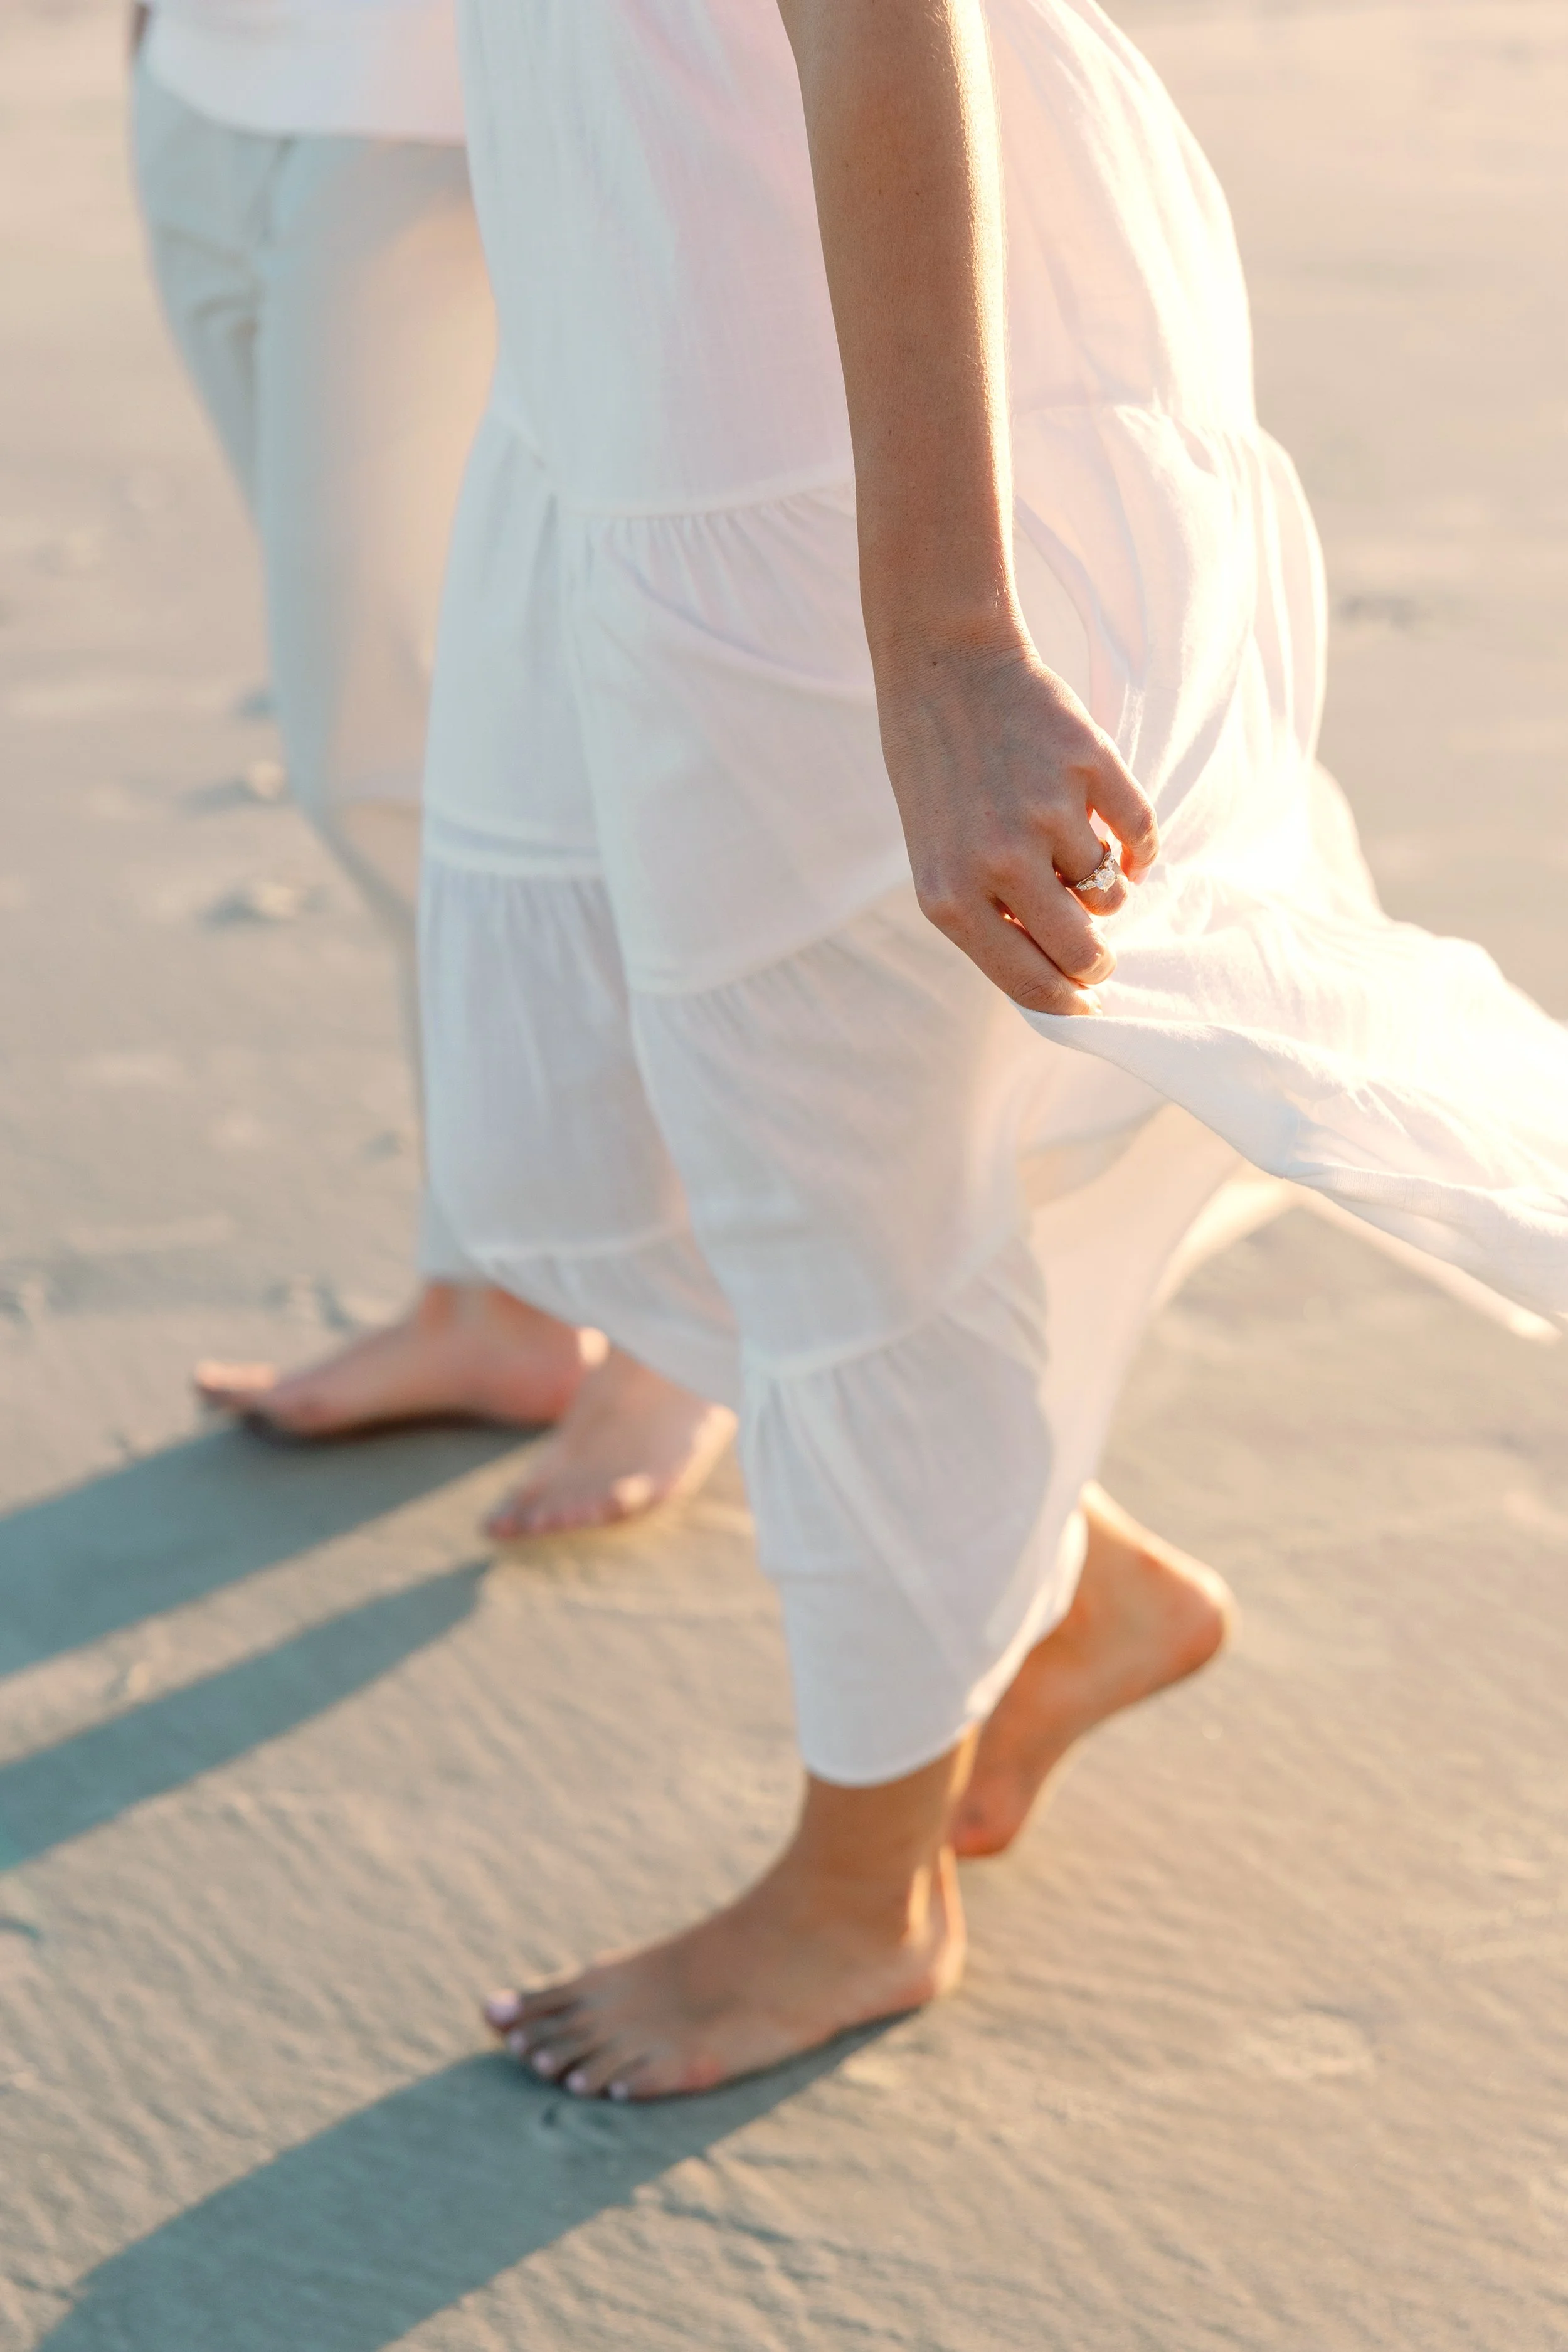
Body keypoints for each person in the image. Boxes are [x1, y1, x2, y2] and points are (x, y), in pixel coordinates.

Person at [420, 0, 1567, 2102]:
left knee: (830, 1178)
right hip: (649, 351)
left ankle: (863, 1898)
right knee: (637, 1120)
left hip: (835, 460)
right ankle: (1063, 1589)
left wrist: (944, 639)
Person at [129, 0, 736, 1535]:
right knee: (411, 742)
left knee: (404, 761)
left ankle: (683, 1304)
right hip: (199, 84)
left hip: (427, 113)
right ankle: (495, 1295)